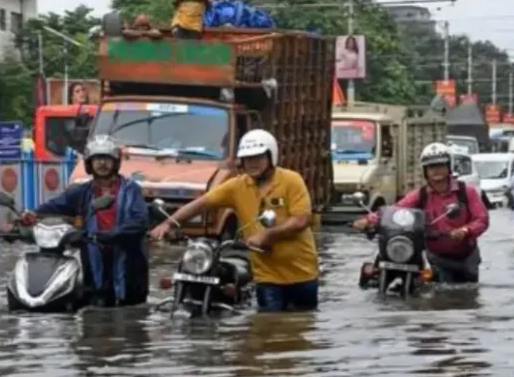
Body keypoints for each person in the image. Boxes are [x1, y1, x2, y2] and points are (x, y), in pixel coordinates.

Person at [149, 130, 321, 312]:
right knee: (269, 328)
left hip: (303, 272)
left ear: (271, 156)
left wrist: (266, 235)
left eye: (258, 157)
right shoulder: (237, 186)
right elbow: (201, 204)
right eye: (248, 159)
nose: (252, 163)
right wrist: (168, 223)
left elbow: (301, 220)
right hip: (267, 276)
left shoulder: (291, 180)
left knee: (303, 325)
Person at [17, 135, 150, 307]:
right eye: (98, 159)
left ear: (116, 162)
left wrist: (106, 235)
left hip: (129, 261)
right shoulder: (81, 192)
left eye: (107, 159)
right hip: (94, 260)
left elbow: (140, 222)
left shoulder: (131, 190)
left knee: (131, 311)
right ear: (89, 163)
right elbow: (54, 206)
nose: (102, 163)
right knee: (94, 308)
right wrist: (31, 215)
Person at [352, 143, 489, 283]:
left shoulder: (466, 192)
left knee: (466, 296)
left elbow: (482, 219)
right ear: (425, 170)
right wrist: (369, 220)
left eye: (441, 165)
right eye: (431, 167)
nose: (436, 170)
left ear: (449, 166)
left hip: (465, 257)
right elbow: (395, 210)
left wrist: (465, 230)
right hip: (434, 257)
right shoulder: (420, 195)